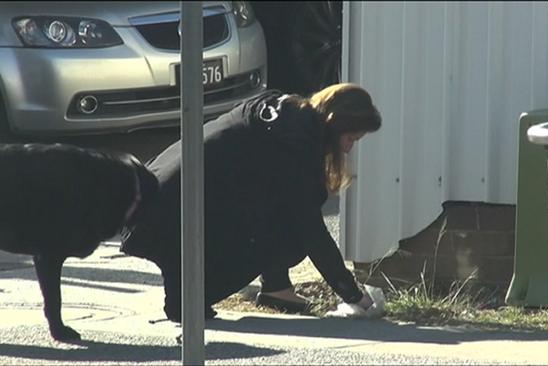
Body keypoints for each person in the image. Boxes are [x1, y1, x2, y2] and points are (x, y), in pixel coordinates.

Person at [121, 83, 382, 321]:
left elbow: (273, 203)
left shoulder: (279, 110)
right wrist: (353, 296)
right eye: (350, 139)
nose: (348, 149)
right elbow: (312, 230)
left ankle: (276, 288)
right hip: (165, 221)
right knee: (294, 235)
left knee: (280, 213)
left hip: (147, 198)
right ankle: (188, 295)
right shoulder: (297, 147)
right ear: (333, 124)